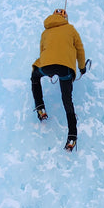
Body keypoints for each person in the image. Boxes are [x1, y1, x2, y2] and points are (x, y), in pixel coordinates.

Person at [31, 8, 86, 151]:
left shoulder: (45, 32)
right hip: (66, 69)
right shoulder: (71, 29)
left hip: (47, 66)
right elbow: (80, 49)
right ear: (65, 18)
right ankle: (72, 136)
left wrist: (46, 68)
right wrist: (82, 68)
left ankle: (40, 108)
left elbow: (42, 51)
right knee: (67, 101)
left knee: (35, 76)